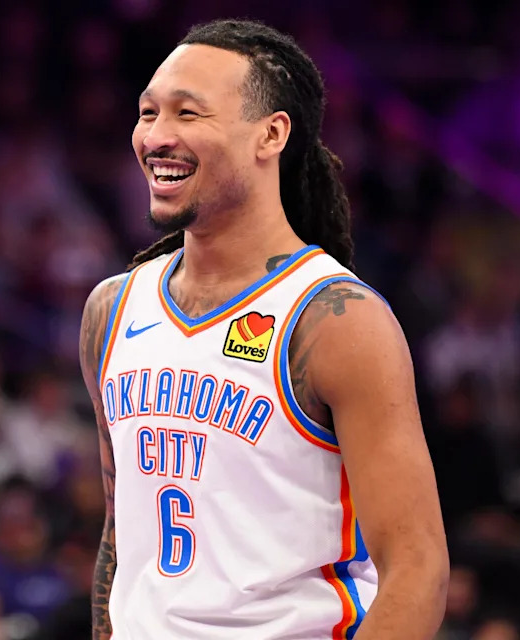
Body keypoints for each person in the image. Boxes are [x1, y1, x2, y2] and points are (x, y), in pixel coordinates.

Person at [78, 19, 448, 639]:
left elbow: (418, 568)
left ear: (271, 134)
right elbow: (119, 540)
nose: (157, 137)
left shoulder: (335, 320)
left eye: (189, 114)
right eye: (147, 113)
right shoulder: (111, 311)